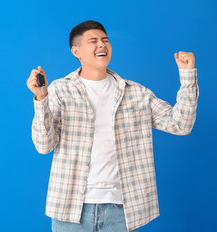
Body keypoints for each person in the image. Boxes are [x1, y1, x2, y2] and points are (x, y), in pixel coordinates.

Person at [26, 20, 198, 232]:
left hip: (122, 211)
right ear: (76, 51)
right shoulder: (61, 90)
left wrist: (187, 76)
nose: (102, 45)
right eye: (94, 41)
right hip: (70, 209)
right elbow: (44, 145)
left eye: (105, 40)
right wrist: (41, 99)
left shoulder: (136, 93)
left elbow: (180, 124)